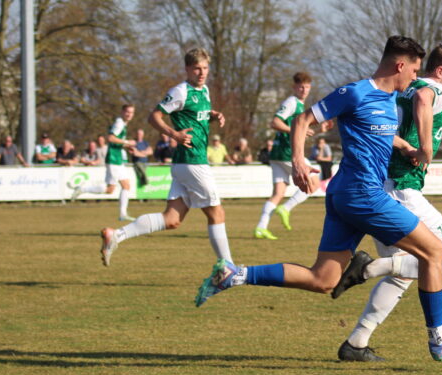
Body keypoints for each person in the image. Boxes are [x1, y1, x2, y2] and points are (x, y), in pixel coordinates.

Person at [196, 35, 442, 363]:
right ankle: (440, 338)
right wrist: (298, 161)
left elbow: (387, 128)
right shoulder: (355, 92)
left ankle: (234, 274)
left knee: (323, 279)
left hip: (344, 194)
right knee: (433, 251)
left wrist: (406, 145)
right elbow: (303, 119)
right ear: (400, 66)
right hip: (364, 194)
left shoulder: (391, 98)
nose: (416, 78)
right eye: (414, 71)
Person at [328, 43, 442, 361]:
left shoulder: (405, 88)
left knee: (404, 273)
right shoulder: (432, 87)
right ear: (441, 71)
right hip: (403, 190)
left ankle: (356, 343)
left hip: (382, 186)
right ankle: (371, 268)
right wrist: (426, 148)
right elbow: (426, 100)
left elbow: (422, 112)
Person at [98, 47, 233, 267]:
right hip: (193, 162)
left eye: (205, 68)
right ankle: (228, 267)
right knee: (217, 213)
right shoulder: (181, 91)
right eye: (197, 68)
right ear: (187, 69)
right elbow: (154, 116)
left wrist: (213, 115)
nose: (202, 73)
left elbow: (196, 116)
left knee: (172, 219)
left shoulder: (204, 91)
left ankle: (116, 235)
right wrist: (173, 134)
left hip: (184, 164)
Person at [253, 72, 321, 239]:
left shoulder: (299, 105)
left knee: (278, 193)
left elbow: (299, 130)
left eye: (307, 87)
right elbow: (275, 122)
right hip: (286, 152)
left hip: (277, 154)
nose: (304, 90)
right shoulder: (292, 102)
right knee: (314, 183)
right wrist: (295, 130)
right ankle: (286, 208)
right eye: (301, 87)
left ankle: (261, 227)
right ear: (294, 87)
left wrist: (317, 129)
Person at [71, 104, 139, 221]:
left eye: (131, 112)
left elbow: (115, 141)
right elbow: (111, 138)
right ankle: (83, 189)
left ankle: (122, 214)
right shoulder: (119, 123)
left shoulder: (123, 124)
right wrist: (127, 142)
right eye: (127, 112)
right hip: (113, 159)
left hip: (117, 158)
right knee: (117, 187)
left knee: (116, 188)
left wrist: (126, 146)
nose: (129, 114)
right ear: (122, 112)